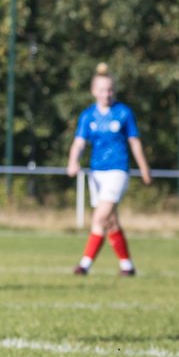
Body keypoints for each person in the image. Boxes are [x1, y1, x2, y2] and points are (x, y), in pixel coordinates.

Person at [66, 63, 152, 275]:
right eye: (103, 90)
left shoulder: (123, 113)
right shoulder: (88, 116)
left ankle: (84, 265)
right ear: (94, 91)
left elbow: (134, 142)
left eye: (110, 89)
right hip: (97, 172)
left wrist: (144, 168)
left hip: (117, 170)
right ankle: (127, 266)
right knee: (111, 222)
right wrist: (73, 161)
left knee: (99, 217)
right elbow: (79, 143)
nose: (107, 94)